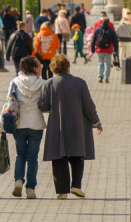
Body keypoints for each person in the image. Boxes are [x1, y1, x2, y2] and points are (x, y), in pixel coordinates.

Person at [39, 54, 103, 198]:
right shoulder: (80, 83)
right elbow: (88, 105)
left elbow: (43, 106)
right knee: (77, 154)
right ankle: (76, 185)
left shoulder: (48, 84)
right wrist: (96, 122)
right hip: (77, 123)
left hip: (57, 124)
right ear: (68, 67)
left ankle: (62, 191)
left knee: (58, 157)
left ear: (53, 69)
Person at [2, 55, 45, 199]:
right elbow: (45, 104)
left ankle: (18, 180)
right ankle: (30, 189)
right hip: (36, 124)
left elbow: (8, 103)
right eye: (39, 65)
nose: (41, 67)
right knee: (32, 157)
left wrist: (1, 125)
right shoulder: (42, 83)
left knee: (20, 154)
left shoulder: (14, 82)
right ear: (34, 68)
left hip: (19, 124)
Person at [90, 13, 117, 83]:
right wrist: (116, 50)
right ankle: (106, 78)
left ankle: (100, 76)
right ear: (109, 23)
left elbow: (93, 40)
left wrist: (92, 49)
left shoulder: (97, 30)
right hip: (108, 49)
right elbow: (115, 41)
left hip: (99, 49)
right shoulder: (111, 31)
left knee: (100, 63)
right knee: (107, 64)